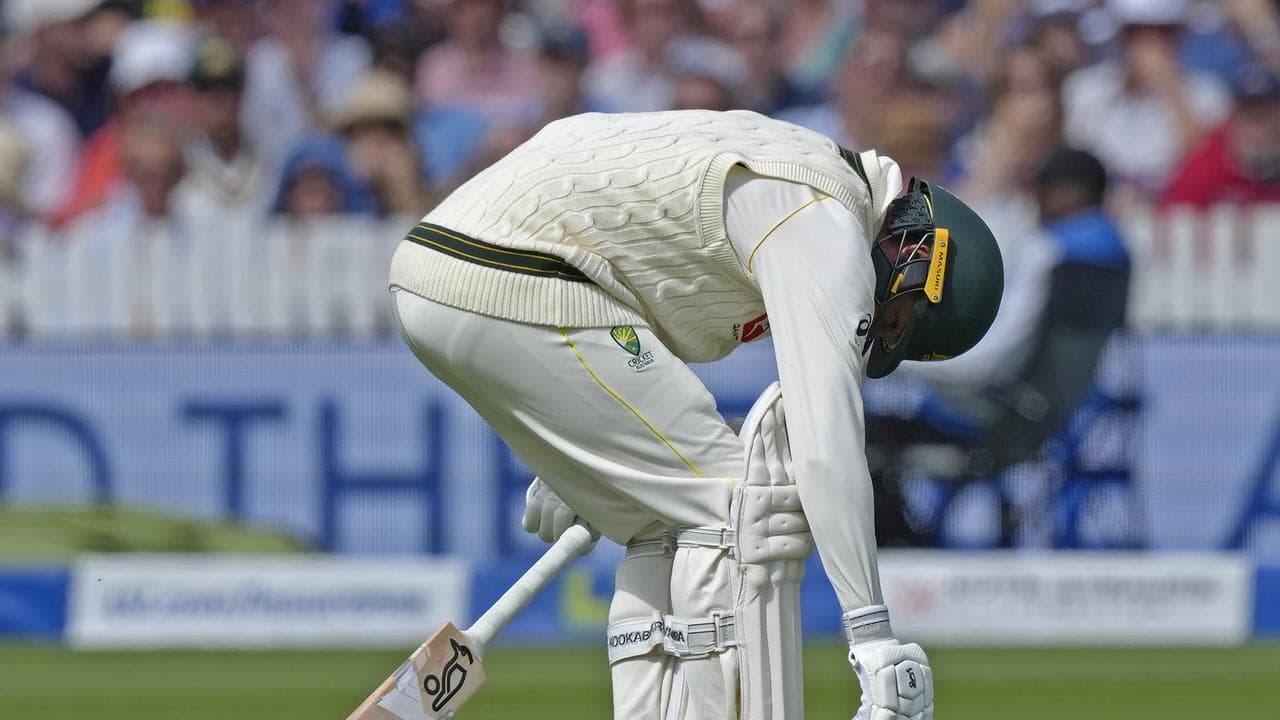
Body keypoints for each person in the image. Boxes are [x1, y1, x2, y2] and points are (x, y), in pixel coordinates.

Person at [388, 109, 1003, 720]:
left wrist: (582, 441)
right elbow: (826, 447)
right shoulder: (824, 220)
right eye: (896, 318)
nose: (880, 329)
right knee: (738, 508)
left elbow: (617, 249)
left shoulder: (798, 173)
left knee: (659, 523)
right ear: (918, 252)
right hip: (515, 272)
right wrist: (872, 639)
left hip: (445, 271)